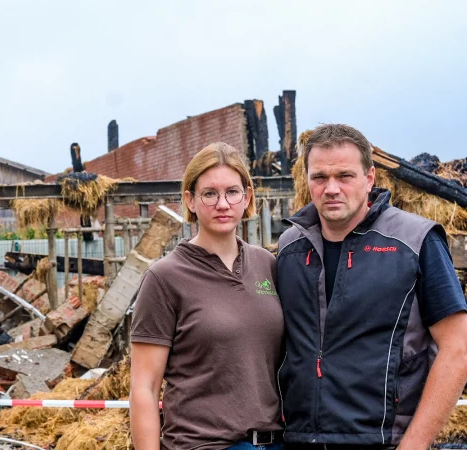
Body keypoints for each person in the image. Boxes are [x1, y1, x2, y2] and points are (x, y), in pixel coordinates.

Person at [276, 124, 467, 449]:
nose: (331, 188)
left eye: (344, 176)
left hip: (383, 441)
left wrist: (415, 445)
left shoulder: (414, 241)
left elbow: (457, 348)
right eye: (319, 177)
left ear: (370, 178)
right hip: (299, 440)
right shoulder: (290, 248)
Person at [130, 142, 284, 450]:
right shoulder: (165, 278)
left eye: (232, 192)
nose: (222, 204)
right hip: (203, 444)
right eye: (209, 193)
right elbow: (144, 388)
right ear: (190, 200)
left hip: (274, 442)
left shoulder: (267, 265)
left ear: (247, 197)